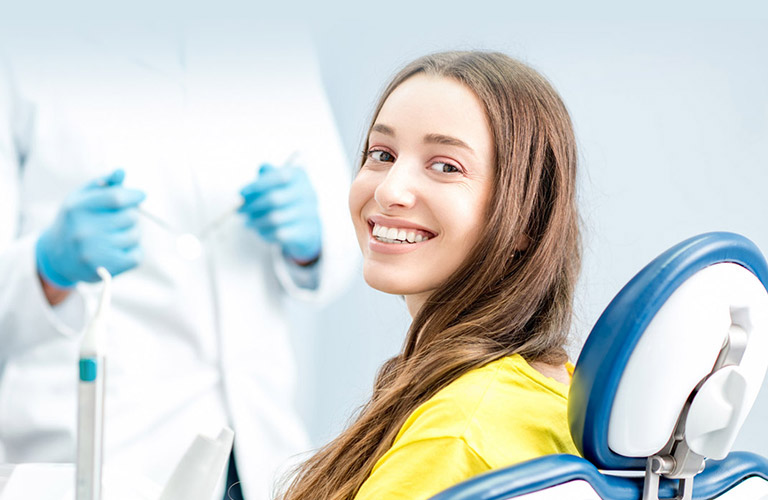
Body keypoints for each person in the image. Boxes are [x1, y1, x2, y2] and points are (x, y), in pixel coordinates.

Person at [0, 23, 357, 500]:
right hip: (98, 448)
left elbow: (345, 240)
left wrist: (313, 241)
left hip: (255, 448)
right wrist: (47, 266)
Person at [278, 51, 581, 500]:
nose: (387, 189)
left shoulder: (458, 435)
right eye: (381, 154)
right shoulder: (541, 387)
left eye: (445, 166)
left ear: (526, 221)